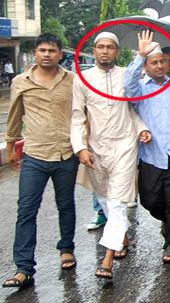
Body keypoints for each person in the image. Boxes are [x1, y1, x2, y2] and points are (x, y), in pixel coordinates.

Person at [71, 31, 151, 280]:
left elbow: (132, 108)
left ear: (117, 51)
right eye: (100, 47)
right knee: (105, 199)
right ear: (94, 50)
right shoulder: (82, 79)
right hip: (96, 148)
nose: (105, 51)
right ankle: (122, 237)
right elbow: (76, 117)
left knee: (117, 202)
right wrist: (80, 148)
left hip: (125, 145)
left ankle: (107, 259)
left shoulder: (126, 75)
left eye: (110, 47)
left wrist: (142, 129)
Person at [3, 34, 76, 289]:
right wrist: (11, 147)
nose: (47, 54)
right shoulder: (20, 82)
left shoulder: (71, 80)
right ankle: (24, 267)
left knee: (66, 205)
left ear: (60, 54)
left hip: (66, 153)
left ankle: (66, 248)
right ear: (35, 53)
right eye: (42, 50)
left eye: (52, 50)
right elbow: (14, 116)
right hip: (34, 154)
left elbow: (82, 114)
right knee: (26, 210)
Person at [124, 31, 170, 263]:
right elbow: (128, 85)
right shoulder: (140, 89)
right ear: (146, 65)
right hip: (151, 156)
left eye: (163, 61)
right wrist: (138, 55)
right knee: (149, 200)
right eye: (154, 62)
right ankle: (167, 219)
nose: (160, 65)